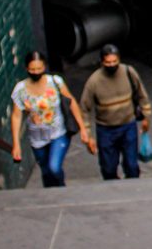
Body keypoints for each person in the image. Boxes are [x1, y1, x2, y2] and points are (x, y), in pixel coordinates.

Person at [10, 51, 94, 188]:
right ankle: (50, 194)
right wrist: (16, 143)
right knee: (46, 171)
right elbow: (16, 116)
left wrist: (83, 128)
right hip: (37, 138)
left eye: (39, 69)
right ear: (26, 69)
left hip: (58, 132)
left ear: (44, 67)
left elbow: (71, 101)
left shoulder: (55, 82)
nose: (36, 72)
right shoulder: (20, 89)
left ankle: (61, 188)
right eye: (32, 69)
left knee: (54, 167)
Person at [80, 45, 152, 180]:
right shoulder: (94, 81)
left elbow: (142, 95)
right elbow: (84, 109)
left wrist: (146, 117)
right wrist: (88, 134)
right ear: (101, 62)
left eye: (115, 61)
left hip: (128, 126)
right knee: (108, 168)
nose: (112, 65)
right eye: (108, 62)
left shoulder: (128, 72)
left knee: (132, 166)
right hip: (106, 130)